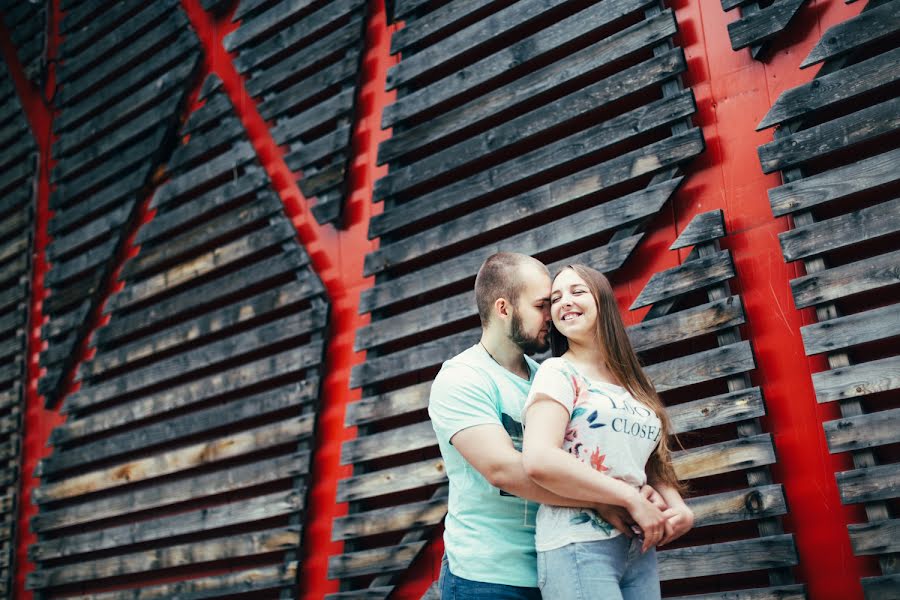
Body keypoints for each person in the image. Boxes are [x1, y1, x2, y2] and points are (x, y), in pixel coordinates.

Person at [428, 253, 663, 599]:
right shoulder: (462, 378)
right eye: (543, 304)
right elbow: (503, 469)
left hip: (555, 561)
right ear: (504, 308)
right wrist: (605, 500)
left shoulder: (547, 376)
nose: (551, 316)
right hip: (488, 575)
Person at [521, 264, 694, 599]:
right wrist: (629, 496)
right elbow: (539, 458)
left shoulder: (633, 383)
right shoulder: (557, 372)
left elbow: (648, 463)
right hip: (577, 544)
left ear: (603, 302)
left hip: (637, 544)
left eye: (577, 291)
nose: (564, 302)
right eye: (555, 298)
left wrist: (678, 507)